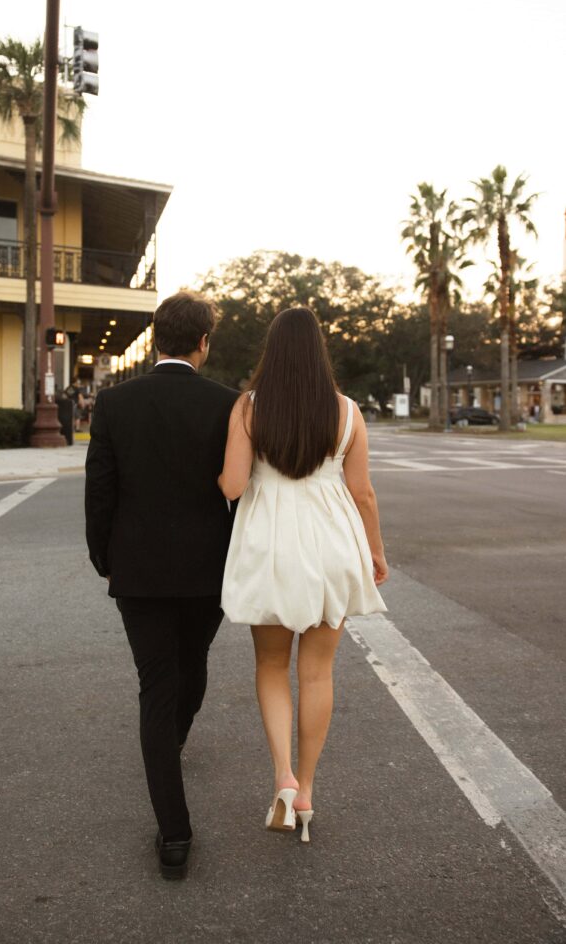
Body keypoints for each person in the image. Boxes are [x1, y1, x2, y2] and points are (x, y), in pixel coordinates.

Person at [218, 307, 388, 843]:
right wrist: (376, 553)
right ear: (319, 353)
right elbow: (362, 492)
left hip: (271, 547)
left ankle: (283, 779)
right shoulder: (347, 412)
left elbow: (231, 486)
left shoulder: (248, 407)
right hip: (333, 544)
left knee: (271, 665)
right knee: (318, 673)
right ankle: (309, 789)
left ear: (273, 350)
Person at [85, 292, 238, 880]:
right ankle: (170, 744)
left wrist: (104, 556)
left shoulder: (115, 402)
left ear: (155, 339)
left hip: (139, 570)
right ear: (204, 342)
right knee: (192, 660)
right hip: (209, 569)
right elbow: (238, 491)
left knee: (156, 682)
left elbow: (101, 488)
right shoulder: (227, 404)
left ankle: (175, 834)